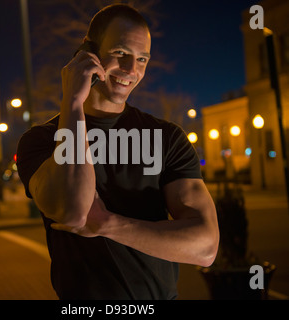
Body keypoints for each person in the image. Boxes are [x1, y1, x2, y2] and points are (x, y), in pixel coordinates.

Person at [16, 4, 219, 300]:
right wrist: (72, 101)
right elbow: (73, 212)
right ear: (88, 53)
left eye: (142, 59)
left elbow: (205, 248)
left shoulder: (166, 138)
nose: (131, 70)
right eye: (121, 54)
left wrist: (108, 224)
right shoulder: (42, 141)